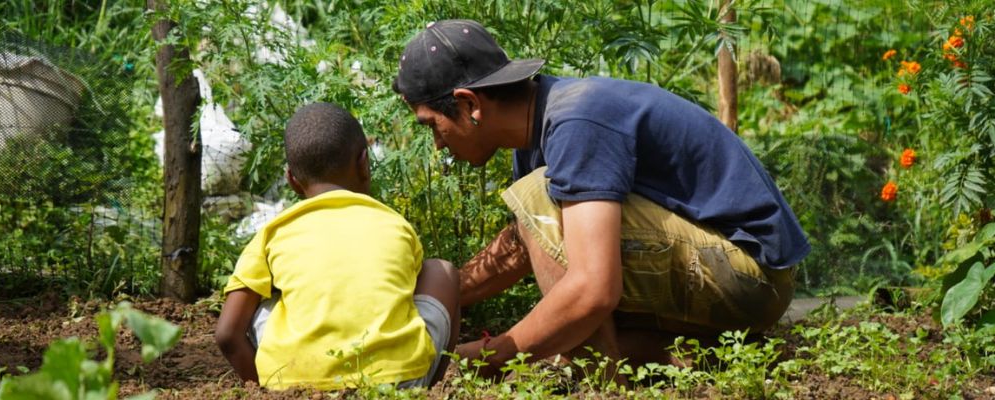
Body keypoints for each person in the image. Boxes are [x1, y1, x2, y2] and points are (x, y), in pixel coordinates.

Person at [392, 19, 810, 378]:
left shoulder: (576, 121)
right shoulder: (540, 125)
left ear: (469, 105)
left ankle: (602, 373)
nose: (438, 146)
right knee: (562, 317)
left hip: (753, 277)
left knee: (544, 207)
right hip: (737, 278)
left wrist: (493, 355)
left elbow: (593, 289)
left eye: (432, 125)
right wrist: (438, 296)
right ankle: (683, 355)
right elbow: (526, 239)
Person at [214, 102, 460, 390]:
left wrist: (263, 389)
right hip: (398, 382)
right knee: (441, 270)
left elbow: (228, 333)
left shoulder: (273, 232)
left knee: (262, 298)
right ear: (364, 163)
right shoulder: (394, 224)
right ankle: (432, 387)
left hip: (296, 385)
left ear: (292, 179)